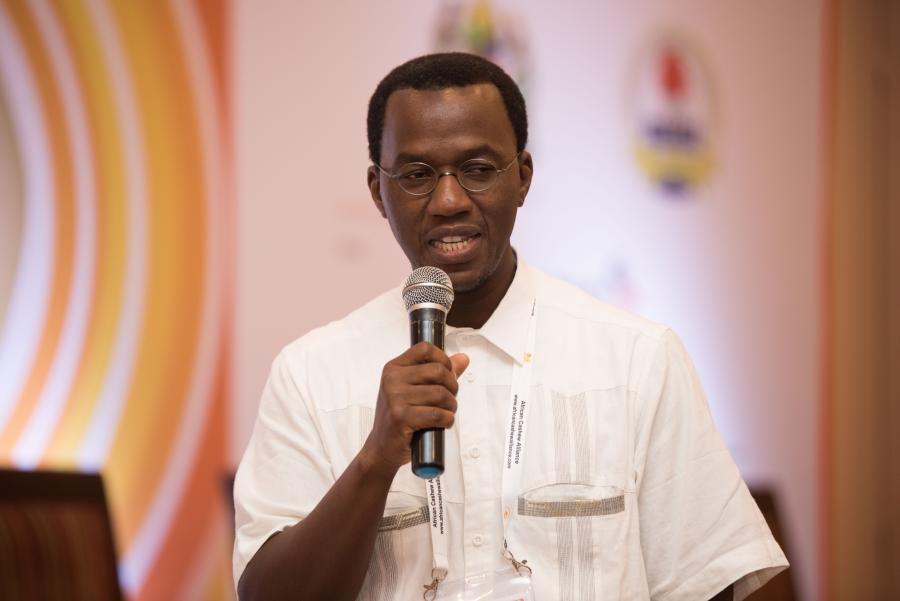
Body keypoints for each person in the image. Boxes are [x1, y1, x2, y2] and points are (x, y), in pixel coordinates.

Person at [233, 52, 788, 601]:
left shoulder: (636, 360)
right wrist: (374, 462)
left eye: (477, 170)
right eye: (418, 175)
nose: (449, 201)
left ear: (522, 178)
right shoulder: (311, 375)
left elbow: (706, 584)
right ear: (379, 191)